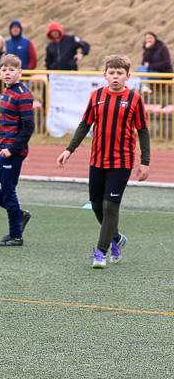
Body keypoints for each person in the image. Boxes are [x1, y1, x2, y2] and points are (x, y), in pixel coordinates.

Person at [57, 54, 150, 268]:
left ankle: (101, 251)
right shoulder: (96, 96)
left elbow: (143, 131)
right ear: (104, 75)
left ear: (128, 76)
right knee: (97, 205)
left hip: (122, 162)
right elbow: (84, 125)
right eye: (112, 73)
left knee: (110, 206)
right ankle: (116, 238)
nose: (115, 76)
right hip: (97, 160)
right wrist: (69, 150)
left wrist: (144, 161)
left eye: (120, 73)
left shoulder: (135, 99)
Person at [0, 54, 35, 246]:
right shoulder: (7, 90)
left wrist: (11, 149)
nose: (7, 73)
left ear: (19, 72)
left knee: (8, 191)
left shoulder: (23, 94)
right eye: (3, 69)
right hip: (1, 150)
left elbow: (28, 127)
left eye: (11, 70)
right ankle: (19, 214)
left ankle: (15, 235)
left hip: (12, 152)